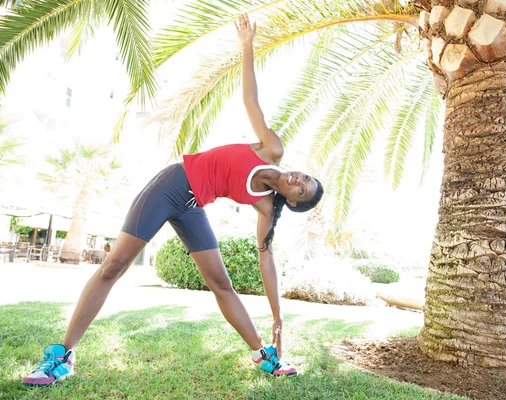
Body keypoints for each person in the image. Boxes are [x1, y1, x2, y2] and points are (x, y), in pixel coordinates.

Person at [22, 13, 324, 387]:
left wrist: (278, 315)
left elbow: (267, 261)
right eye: (305, 178)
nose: (298, 180)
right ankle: (61, 357)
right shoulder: (271, 149)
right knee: (114, 266)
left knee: (221, 283)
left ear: (293, 202)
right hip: (171, 185)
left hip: (191, 205)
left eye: (301, 190)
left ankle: (265, 355)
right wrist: (247, 46)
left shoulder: (264, 207)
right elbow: (251, 100)